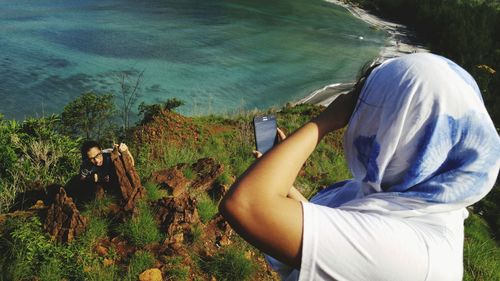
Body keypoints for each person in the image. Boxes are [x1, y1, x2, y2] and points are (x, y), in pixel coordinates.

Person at [219, 53, 500, 281]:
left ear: (397, 131)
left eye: (369, 109)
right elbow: (338, 229)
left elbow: (246, 205)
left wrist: (324, 121)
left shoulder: (413, 255)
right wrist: (284, 185)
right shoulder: (423, 205)